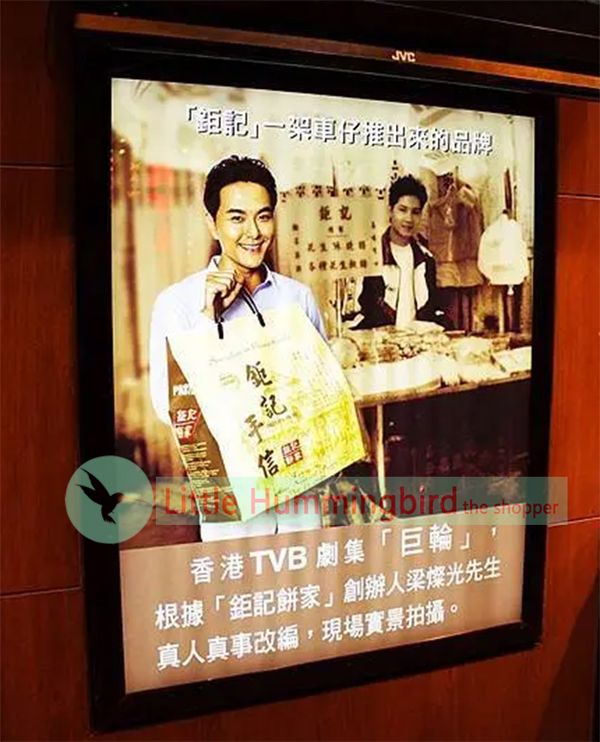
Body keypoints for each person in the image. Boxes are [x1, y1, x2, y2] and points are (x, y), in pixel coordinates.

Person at [149, 155, 327, 540]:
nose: (253, 232)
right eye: (237, 218)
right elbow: (170, 407)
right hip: (232, 498)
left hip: (300, 491)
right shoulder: (177, 303)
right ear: (211, 223)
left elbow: (324, 390)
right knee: (238, 579)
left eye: (263, 217)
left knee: (306, 574)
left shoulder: (297, 297)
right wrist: (207, 320)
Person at [352, 174, 449, 330]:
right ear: (390, 211)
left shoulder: (426, 259)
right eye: (402, 210)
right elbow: (361, 309)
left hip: (416, 341)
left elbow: (431, 310)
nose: (409, 219)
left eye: (415, 212)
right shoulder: (372, 255)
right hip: (380, 340)